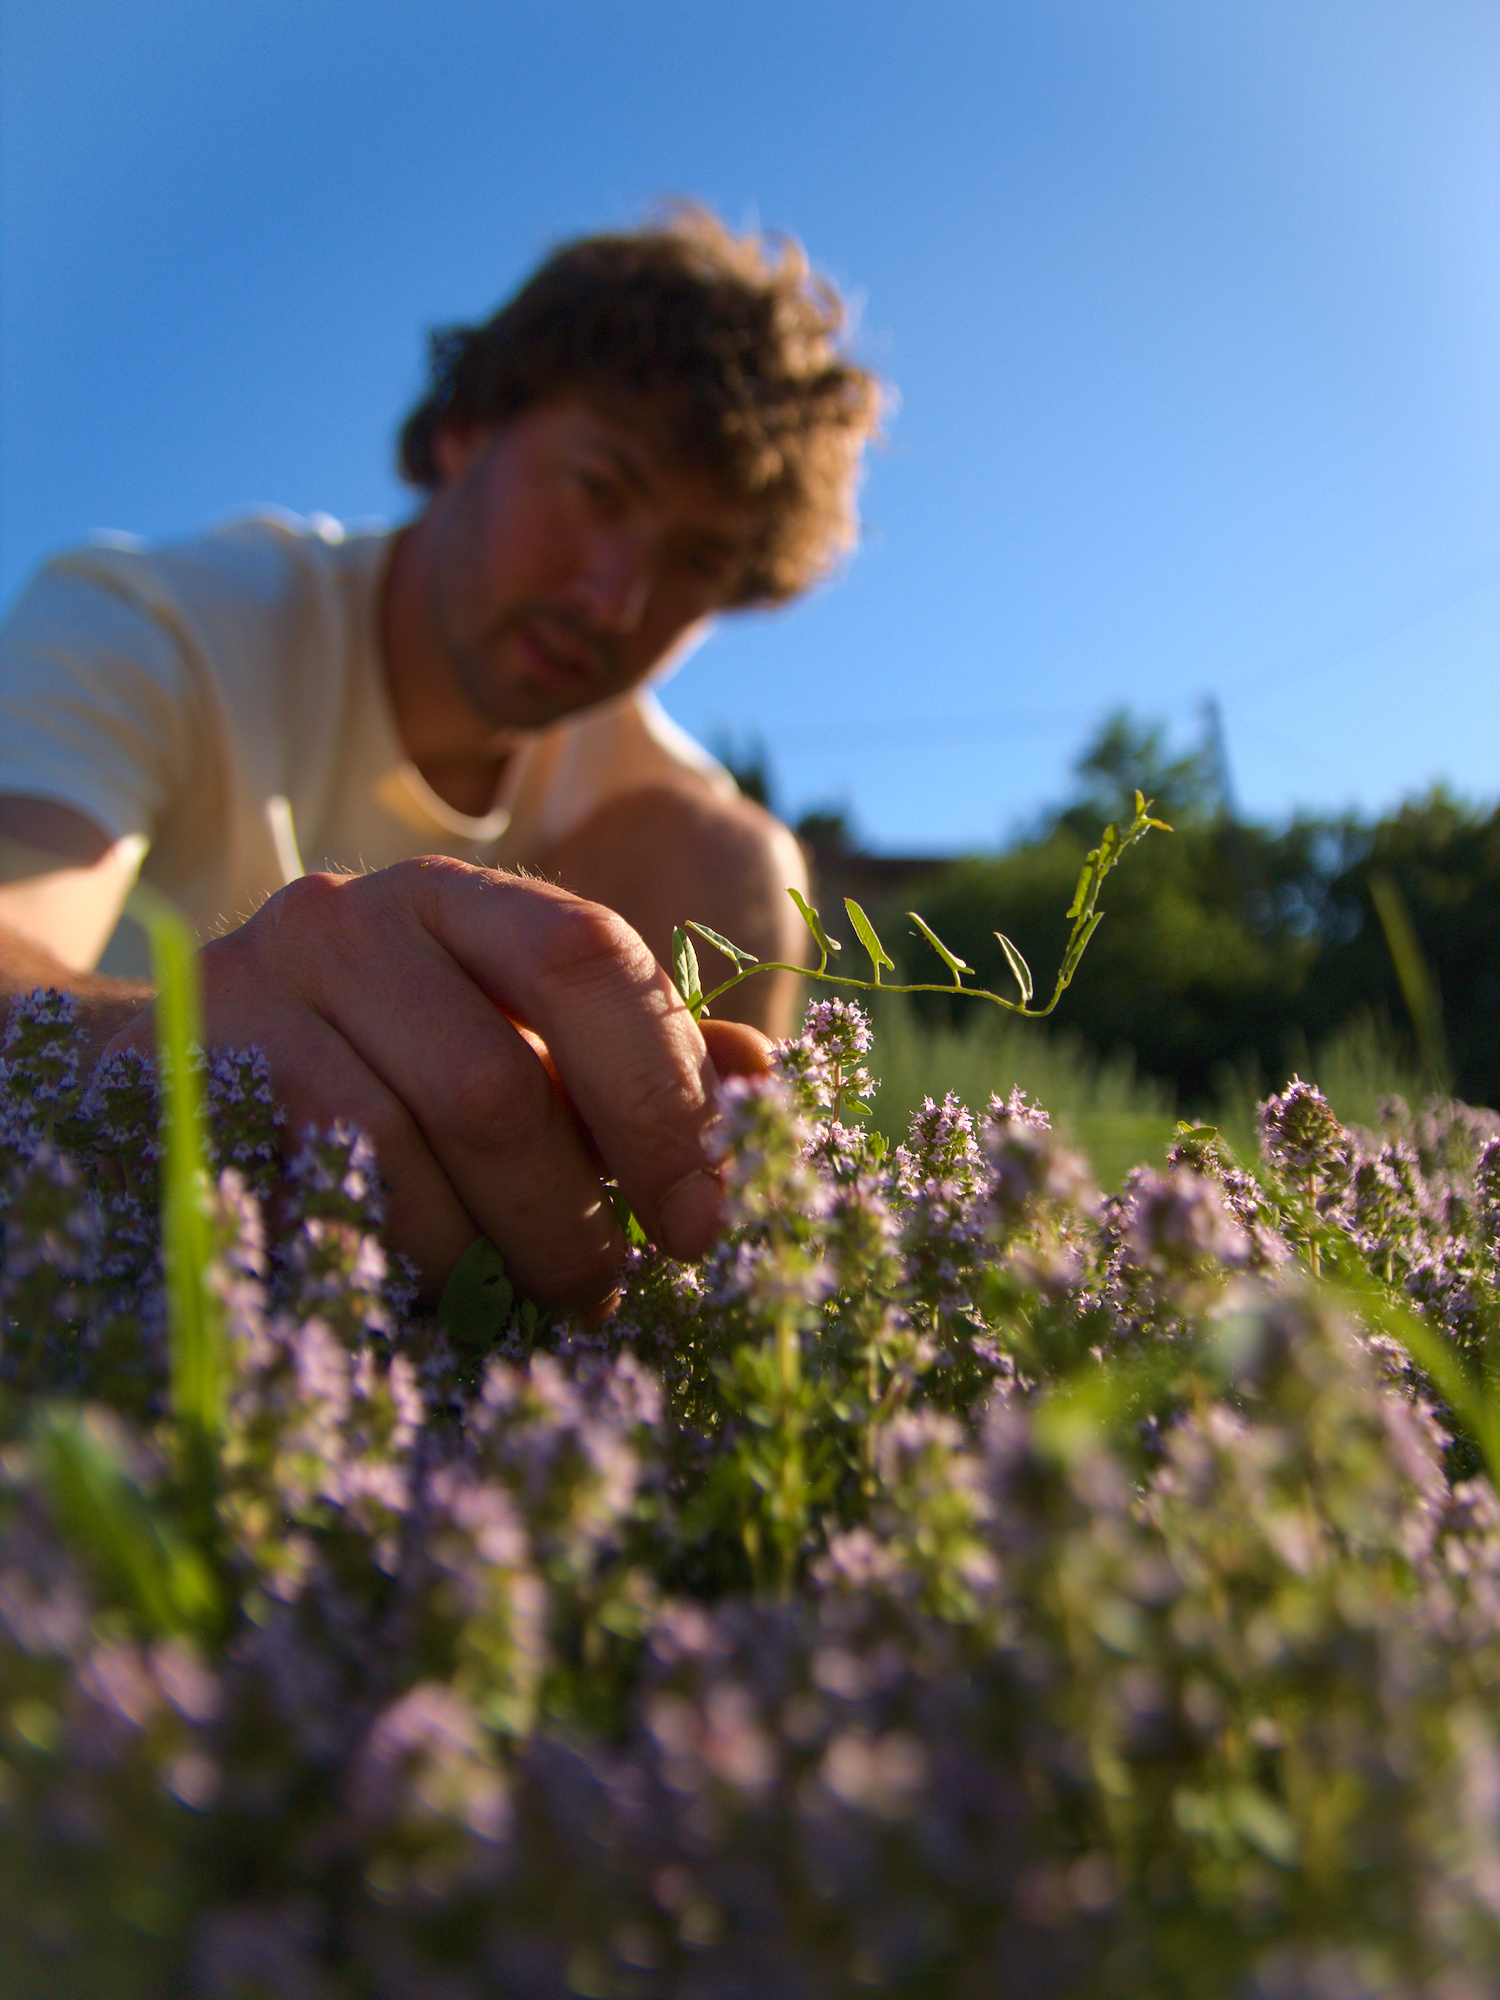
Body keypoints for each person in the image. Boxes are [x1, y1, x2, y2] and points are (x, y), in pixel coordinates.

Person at [0, 207, 884, 1313]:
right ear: (465, 429)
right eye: (599, 489)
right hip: (91, 1268)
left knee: (731, 854)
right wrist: (204, 1044)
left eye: (695, 561)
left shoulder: (662, 801)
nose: (612, 596)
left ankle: (615, 1356)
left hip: (425, 1410)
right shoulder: (158, 622)